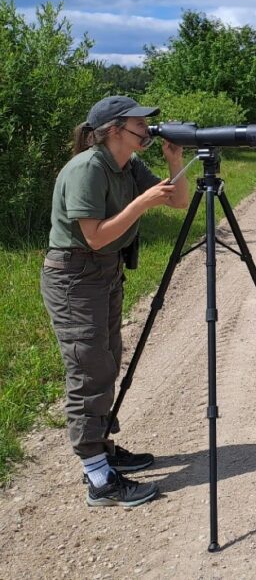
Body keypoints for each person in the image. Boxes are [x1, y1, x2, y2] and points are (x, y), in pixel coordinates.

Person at [40, 95, 189, 506]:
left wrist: (176, 162)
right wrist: (141, 204)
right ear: (114, 130)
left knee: (107, 360)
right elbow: (95, 235)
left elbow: (177, 201)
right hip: (75, 276)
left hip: (104, 272)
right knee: (89, 369)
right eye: (139, 123)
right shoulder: (88, 168)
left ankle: (101, 449)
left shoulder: (129, 164)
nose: (147, 128)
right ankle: (98, 478)